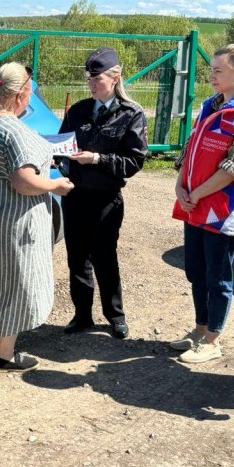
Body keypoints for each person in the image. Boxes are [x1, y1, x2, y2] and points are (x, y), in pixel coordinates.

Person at [0, 62, 75, 372]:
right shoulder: (13, 132)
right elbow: (23, 181)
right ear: (21, 96)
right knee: (14, 281)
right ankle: (5, 354)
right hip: (12, 220)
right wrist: (55, 184)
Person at [170, 44, 234, 364]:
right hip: (194, 204)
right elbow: (190, 150)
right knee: (196, 271)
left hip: (222, 211)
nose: (210, 76)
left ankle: (213, 339)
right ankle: (199, 330)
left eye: (217, 71)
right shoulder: (210, 106)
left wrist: (196, 194)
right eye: (211, 70)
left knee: (218, 276)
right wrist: (180, 185)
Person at [59, 48, 148, 339]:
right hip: (75, 195)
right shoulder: (79, 111)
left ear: (115, 78)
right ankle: (82, 316)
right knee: (77, 259)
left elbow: (134, 162)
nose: (91, 83)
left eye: (96, 78)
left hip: (105, 199)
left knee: (104, 258)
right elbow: (62, 146)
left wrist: (97, 159)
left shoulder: (130, 114)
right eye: (89, 78)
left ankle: (115, 316)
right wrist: (56, 159)